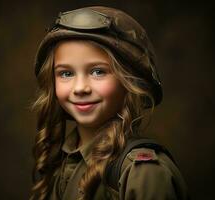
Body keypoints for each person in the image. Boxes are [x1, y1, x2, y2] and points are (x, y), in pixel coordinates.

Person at [30, 6, 189, 200]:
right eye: (66, 73)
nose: (80, 88)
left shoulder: (144, 172)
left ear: (129, 80)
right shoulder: (62, 161)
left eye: (98, 71)